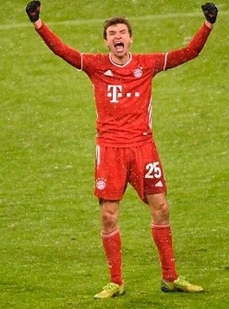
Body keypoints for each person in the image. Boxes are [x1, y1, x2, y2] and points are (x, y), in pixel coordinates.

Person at [25, 0, 218, 299]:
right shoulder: (95, 65)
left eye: (123, 32)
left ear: (130, 38)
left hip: (143, 147)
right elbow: (63, 51)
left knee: (161, 207)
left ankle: (170, 277)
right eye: (113, 32)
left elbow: (188, 53)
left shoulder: (147, 64)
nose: (118, 36)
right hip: (111, 149)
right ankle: (116, 281)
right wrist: (39, 24)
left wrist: (207, 26)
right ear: (106, 41)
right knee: (109, 215)